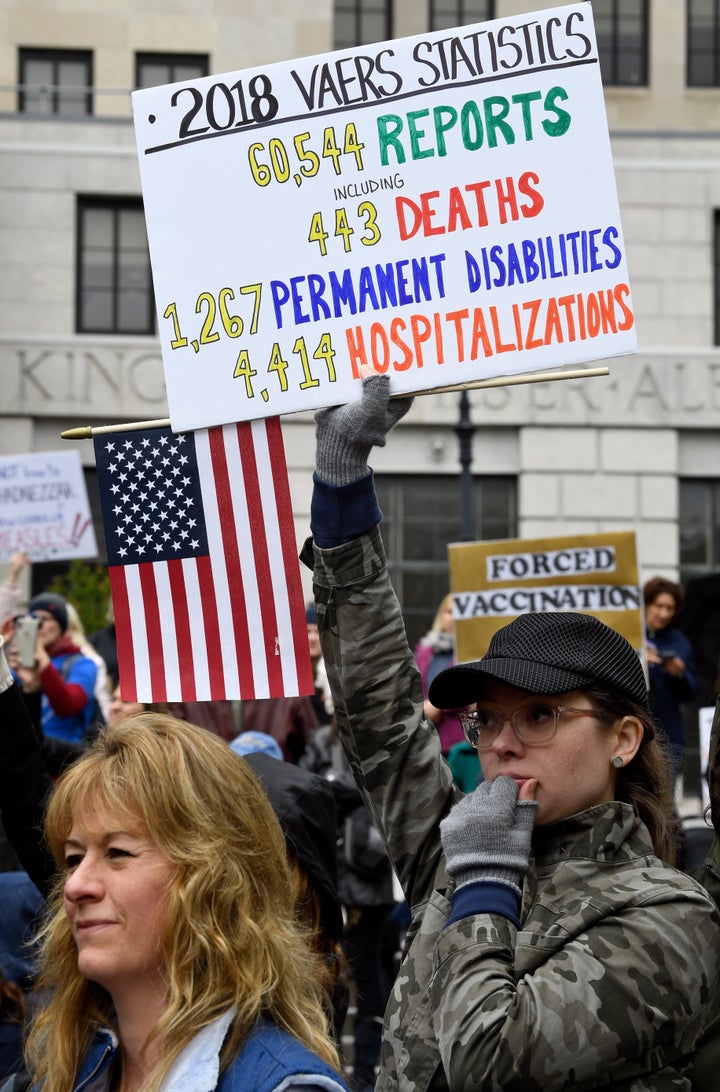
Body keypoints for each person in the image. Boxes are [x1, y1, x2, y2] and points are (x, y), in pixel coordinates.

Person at [302, 372, 720, 1091]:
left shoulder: (671, 919)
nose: (499, 742)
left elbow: (488, 1063)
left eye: (541, 715)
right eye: (488, 717)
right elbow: (381, 716)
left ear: (623, 739)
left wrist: (487, 883)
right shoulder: (459, 851)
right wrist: (343, 485)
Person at [0, 712, 348, 1092]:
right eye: (72, 858)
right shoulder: (57, 1075)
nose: (75, 885)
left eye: (117, 852)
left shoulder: (285, 1086)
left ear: (214, 880)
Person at [9, 592, 97, 744]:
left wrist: (44, 664)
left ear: (61, 627)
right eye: (32, 619)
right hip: (27, 751)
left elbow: (67, 706)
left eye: (43, 619)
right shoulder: (22, 663)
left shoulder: (83, 664)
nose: (36, 625)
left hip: (64, 756)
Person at [644, 576, 698, 787]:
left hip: (669, 736)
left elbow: (692, 691)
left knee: (664, 802)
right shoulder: (632, 638)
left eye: (670, 608)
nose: (664, 614)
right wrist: (640, 661)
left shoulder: (678, 641)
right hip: (634, 733)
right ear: (647, 604)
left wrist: (679, 674)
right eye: (659, 606)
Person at [414, 594, 466, 754]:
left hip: (457, 740)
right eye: (449, 612)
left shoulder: (471, 651)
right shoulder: (426, 649)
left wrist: (439, 707)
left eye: (459, 613)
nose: (453, 618)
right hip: (426, 737)